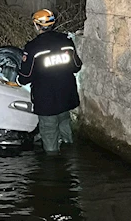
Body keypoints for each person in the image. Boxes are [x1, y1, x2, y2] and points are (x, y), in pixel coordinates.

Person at [17, 9, 82, 154]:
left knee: (49, 132)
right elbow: (77, 66)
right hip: (66, 95)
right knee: (65, 126)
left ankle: (53, 168)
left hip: (47, 100)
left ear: (37, 25)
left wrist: (17, 77)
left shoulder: (33, 47)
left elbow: (24, 77)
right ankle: (71, 156)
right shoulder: (66, 41)